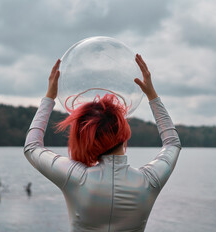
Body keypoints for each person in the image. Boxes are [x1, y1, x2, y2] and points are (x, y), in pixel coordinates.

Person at [24, 54, 181, 232]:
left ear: (85, 138)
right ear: (124, 132)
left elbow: (32, 147)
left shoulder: (75, 177)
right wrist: (152, 95)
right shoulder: (149, 180)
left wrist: (49, 97)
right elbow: (172, 143)